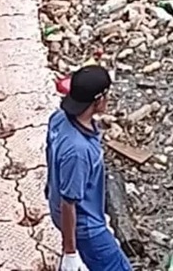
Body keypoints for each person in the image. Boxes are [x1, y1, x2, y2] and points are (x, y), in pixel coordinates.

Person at [46, 65, 133, 271]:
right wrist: (70, 252)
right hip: (87, 227)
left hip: (61, 209)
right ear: (98, 100)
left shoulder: (58, 119)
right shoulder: (79, 151)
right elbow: (69, 203)